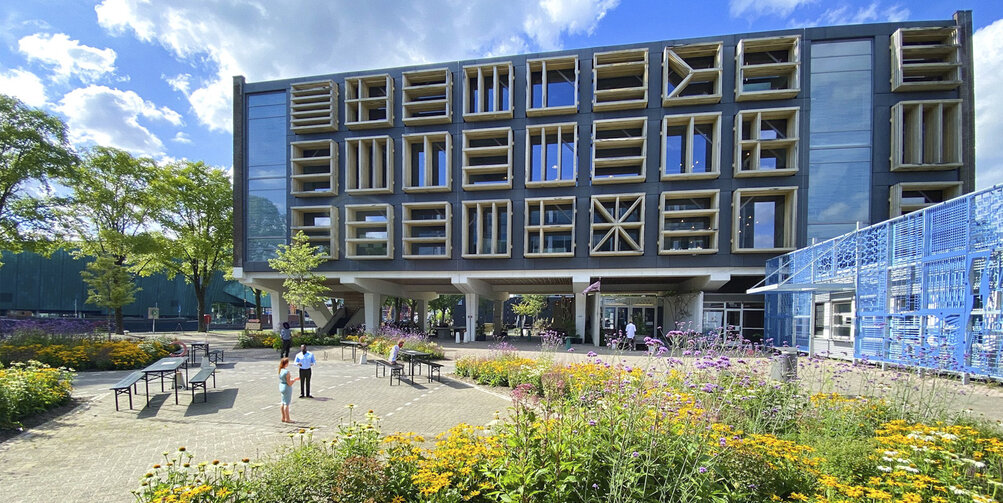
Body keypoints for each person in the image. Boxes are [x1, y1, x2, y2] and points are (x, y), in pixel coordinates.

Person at [278, 357, 299, 423]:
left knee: (282, 402)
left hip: (281, 385)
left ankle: (283, 417)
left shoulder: (280, 370)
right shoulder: (287, 372)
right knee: (286, 403)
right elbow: (289, 383)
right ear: (286, 363)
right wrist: (295, 380)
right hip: (286, 387)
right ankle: (287, 418)